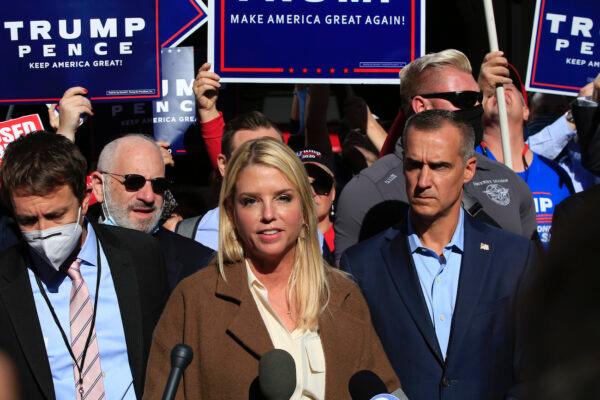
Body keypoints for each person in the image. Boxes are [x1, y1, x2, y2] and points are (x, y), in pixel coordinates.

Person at [144, 138, 400, 399]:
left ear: (304, 207)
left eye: (283, 198)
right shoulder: (195, 299)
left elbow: (385, 387)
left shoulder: (343, 296)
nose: (268, 214)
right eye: (250, 201)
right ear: (231, 212)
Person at [341, 110, 535, 400]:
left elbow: (533, 366)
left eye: (439, 166)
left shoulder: (514, 258)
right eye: (414, 165)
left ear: (468, 170)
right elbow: (356, 365)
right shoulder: (362, 265)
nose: (423, 181)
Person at [0, 131, 169, 399]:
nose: (44, 230)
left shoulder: (141, 255)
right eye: (28, 220)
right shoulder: (6, 280)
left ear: (86, 196)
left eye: (56, 215)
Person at [334, 49, 537, 264]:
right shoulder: (368, 191)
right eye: (466, 99)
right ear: (422, 106)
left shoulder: (509, 181)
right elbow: (351, 286)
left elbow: (532, 279)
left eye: (478, 98)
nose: (478, 108)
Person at [90, 134, 214, 290]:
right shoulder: (71, 257)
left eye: (159, 185)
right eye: (134, 182)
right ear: (99, 186)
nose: (148, 197)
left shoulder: (198, 262)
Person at [477, 82, 574, 246]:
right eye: (491, 92)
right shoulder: (467, 168)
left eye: (510, 88)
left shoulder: (556, 175)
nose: (500, 91)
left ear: (526, 111)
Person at [189, 111, 282, 250]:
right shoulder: (190, 235)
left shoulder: (309, 235)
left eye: (273, 156)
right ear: (223, 165)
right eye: (246, 156)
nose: (262, 167)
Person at [296, 148, 337, 264]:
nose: (312, 193)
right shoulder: (280, 242)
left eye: (321, 184)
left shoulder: (348, 238)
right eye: (303, 185)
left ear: (333, 192)